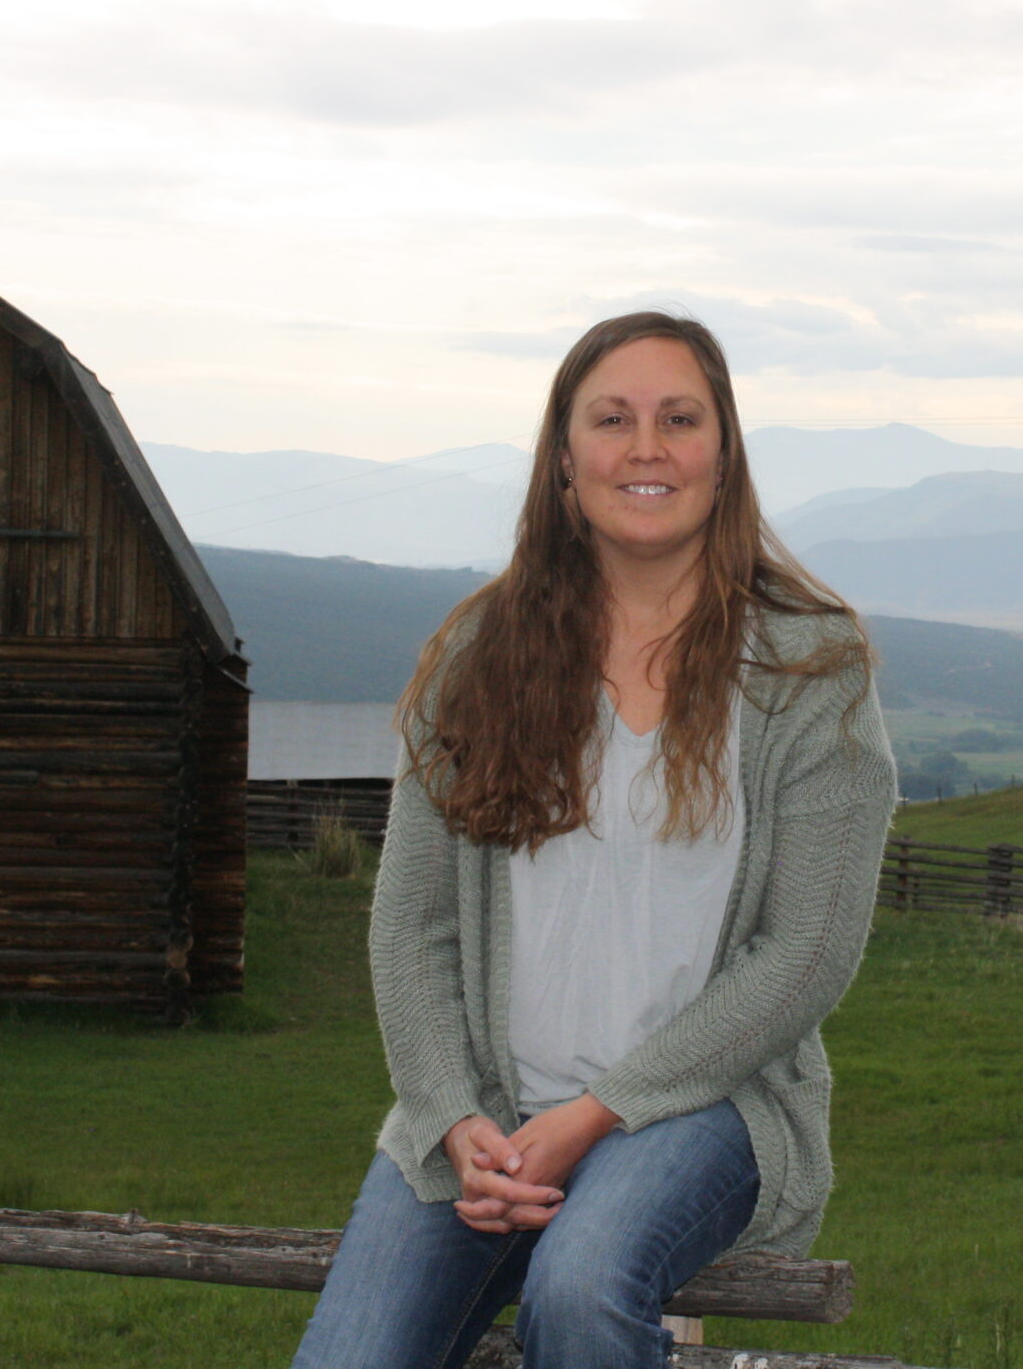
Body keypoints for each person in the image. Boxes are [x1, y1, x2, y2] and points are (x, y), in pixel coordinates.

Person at [290, 311, 898, 1369]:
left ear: (724, 455)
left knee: (580, 1289)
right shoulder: (480, 653)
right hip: (485, 1112)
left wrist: (598, 1114)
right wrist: (448, 1118)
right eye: (612, 420)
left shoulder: (807, 668)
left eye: (679, 418)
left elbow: (805, 952)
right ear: (565, 462)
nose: (646, 447)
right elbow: (412, 926)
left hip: (702, 1106)